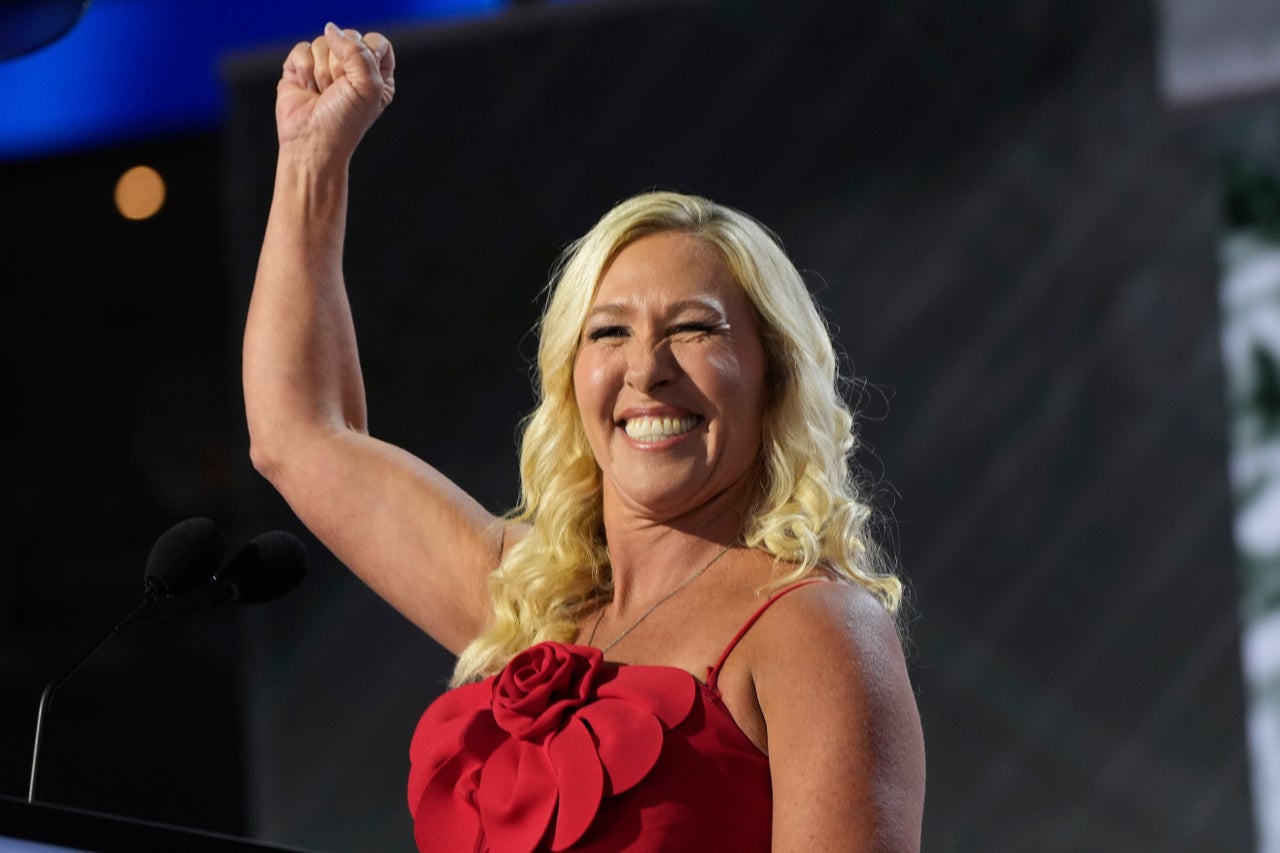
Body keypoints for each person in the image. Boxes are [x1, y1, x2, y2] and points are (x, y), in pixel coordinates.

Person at [244, 21, 926, 852]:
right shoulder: (531, 602)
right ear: (571, 379)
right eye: (607, 333)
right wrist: (312, 161)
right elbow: (300, 431)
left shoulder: (813, 629)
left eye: (693, 329)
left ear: (773, 376)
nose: (647, 370)